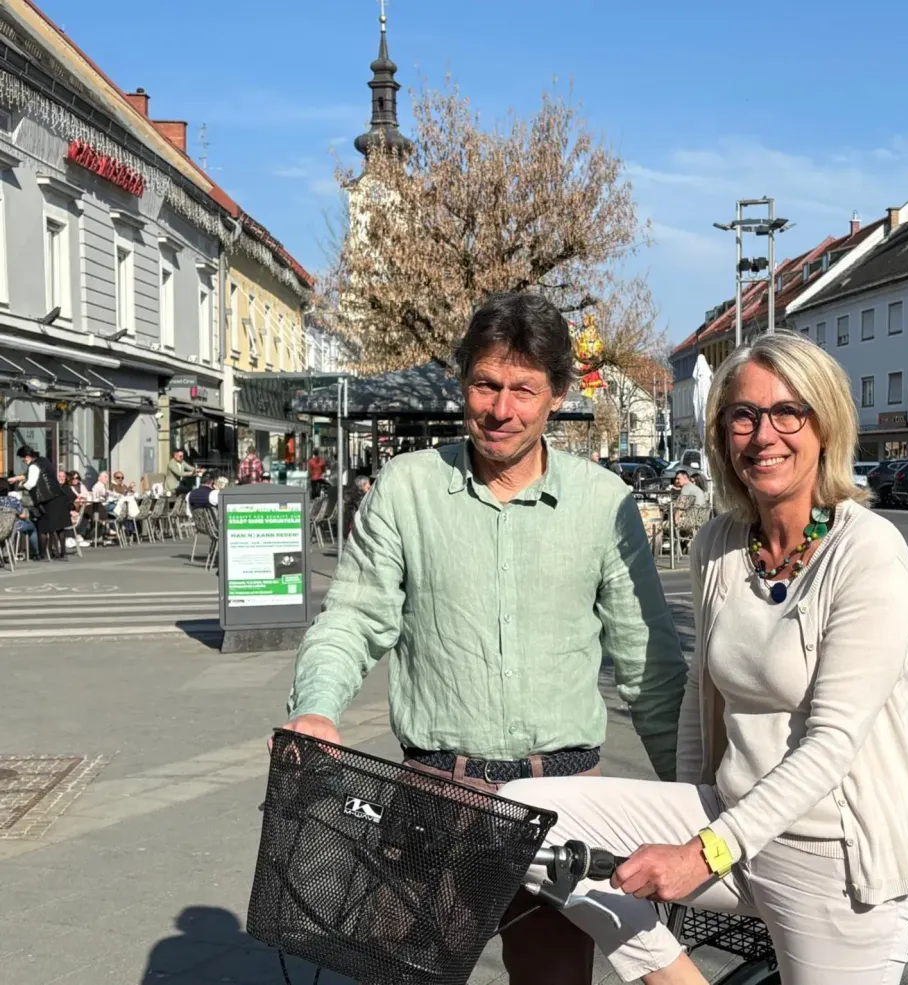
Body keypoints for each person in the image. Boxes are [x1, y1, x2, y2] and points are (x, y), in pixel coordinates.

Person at [503, 332, 908, 985]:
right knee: (523, 821)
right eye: (743, 414)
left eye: (788, 412)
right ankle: (674, 979)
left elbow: (832, 745)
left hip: (836, 858)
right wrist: (687, 820)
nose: (764, 434)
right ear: (723, 434)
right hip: (729, 824)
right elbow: (698, 702)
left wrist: (699, 855)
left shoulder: (868, 554)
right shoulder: (721, 544)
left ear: (826, 424)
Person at [280, 291, 687, 985]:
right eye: (486, 385)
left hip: (564, 801)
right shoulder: (406, 489)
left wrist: (693, 797)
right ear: (462, 381)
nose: (502, 409)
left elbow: (648, 664)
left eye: (524, 389)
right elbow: (353, 616)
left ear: (557, 394)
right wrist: (318, 706)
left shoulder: (602, 504)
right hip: (438, 795)